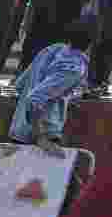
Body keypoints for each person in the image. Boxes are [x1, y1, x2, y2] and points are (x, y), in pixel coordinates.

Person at [8, 20, 94, 154]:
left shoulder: (52, 49)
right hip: (43, 138)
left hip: (18, 132)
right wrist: (41, 137)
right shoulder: (74, 68)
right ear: (93, 42)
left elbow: (20, 85)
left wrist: (65, 97)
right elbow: (35, 99)